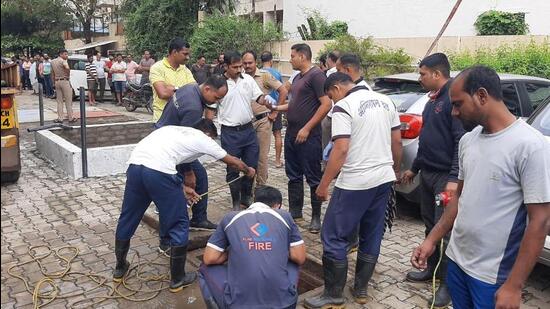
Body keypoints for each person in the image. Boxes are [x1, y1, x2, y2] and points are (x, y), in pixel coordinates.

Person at [411, 65, 550, 309]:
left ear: (482, 96)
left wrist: (514, 286)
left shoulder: (531, 146)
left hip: (492, 274)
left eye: (458, 104)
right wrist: (431, 240)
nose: (454, 112)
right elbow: (459, 198)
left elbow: (540, 221)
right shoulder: (468, 140)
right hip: (456, 260)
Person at [113, 119, 256, 293]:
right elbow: (232, 161)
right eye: (212, 138)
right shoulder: (202, 138)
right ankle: (177, 279)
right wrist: (248, 170)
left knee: (128, 216)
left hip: (135, 168)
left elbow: (159, 163)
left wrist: (181, 188)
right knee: (180, 222)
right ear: (208, 134)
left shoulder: (173, 130)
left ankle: (119, 268)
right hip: (158, 172)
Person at [304, 73, 402, 308]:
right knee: (371, 233)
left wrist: (324, 183)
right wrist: (395, 172)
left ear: (337, 88)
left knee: (333, 235)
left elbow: (341, 149)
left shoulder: (344, 107)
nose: (332, 102)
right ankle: (360, 290)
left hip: (356, 182)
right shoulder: (386, 101)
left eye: (331, 96)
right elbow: (396, 142)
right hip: (383, 179)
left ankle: (333, 295)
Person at [401, 53, 465, 308]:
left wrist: (453, 178)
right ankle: (432, 270)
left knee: (445, 229)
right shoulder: (432, 102)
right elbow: (427, 141)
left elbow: (460, 141)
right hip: (427, 174)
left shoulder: (452, 100)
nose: (420, 78)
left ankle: (447, 287)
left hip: (444, 178)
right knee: (430, 225)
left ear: (437, 74)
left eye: (422, 74)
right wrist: (414, 170)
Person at [199, 185, 306, 309]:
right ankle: (286, 294)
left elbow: (209, 258)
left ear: (255, 201)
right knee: (294, 261)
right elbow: (300, 257)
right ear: (278, 206)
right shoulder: (285, 216)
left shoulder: (230, 218)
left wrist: (234, 252)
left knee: (204, 268)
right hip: (285, 304)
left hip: (236, 305)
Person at [268, 43, 331, 233]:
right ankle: (295, 213)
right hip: (292, 134)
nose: (291, 59)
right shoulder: (298, 77)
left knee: (313, 177)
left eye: (293, 56)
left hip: (309, 136)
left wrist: (307, 128)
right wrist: (277, 108)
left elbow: (326, 104)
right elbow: (295, 103)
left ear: (303, 57)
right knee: (293, 175)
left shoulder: (317, 76)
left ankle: (315, 217)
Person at [155, 74, 229, 236]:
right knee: (190, 180)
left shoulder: (189, 88)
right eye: (216, 98)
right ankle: (173, 228)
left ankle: (196, 218)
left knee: (198, 177)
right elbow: (186, 144)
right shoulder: (194, 108)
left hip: (163, 137)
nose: (216, 102)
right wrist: (188, 172)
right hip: (169, 148)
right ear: (207, 89)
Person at [217, 51, 266, 211]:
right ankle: (236, 201)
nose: (239, 69)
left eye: (241, 66)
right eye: (235, 67)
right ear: (226, 66)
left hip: (248, 131)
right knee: (232, 168)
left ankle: (246, 198)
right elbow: (210, 108)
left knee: (251, 166)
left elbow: (259, 97)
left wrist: (269, 101)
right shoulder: (219, 83)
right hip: (229, 133)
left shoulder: (248, 80)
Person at [242, 50, 288, 186]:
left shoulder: (265, 76)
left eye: (250, 63)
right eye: (244, 63)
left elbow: (283, 90)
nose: (247, 65)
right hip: (246, 123)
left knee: (261, 157)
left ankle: (261, 187)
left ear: (256, 62)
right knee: (248, 157)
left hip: (263, 121)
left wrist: (275, 112)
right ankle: (247, 188)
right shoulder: (241, 77)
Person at [149, 37, 195, 122]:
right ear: (174, 52)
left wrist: (174, 88)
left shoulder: (185, 70)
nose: (188, 57)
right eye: (185, 54)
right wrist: (184, 90)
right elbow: (163, 93)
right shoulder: (157, 68)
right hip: (162, 119)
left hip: (181, 119)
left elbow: (194, 92)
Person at [261, 51, 285, 168]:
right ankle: (277, 161)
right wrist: (277, 110)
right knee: (277, 134)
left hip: (261, 108)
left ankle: (261, 160)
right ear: (271, 61)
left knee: (261, 136)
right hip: (275, 106)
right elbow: (282, 91)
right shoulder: (276, 73)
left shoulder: (258, 73)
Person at [51, 49, 75, 123]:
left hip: (57, 81)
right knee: (68, 100)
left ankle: (60, 118)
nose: (66, 56)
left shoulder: (52, 61)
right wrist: (67, 75)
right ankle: (70, 117)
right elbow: (67, 68)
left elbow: (52, 73)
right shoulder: (63, 61)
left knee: (59, 101)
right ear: (61, 54)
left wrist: (53, 83)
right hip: (64, 81)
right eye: (65, 54)